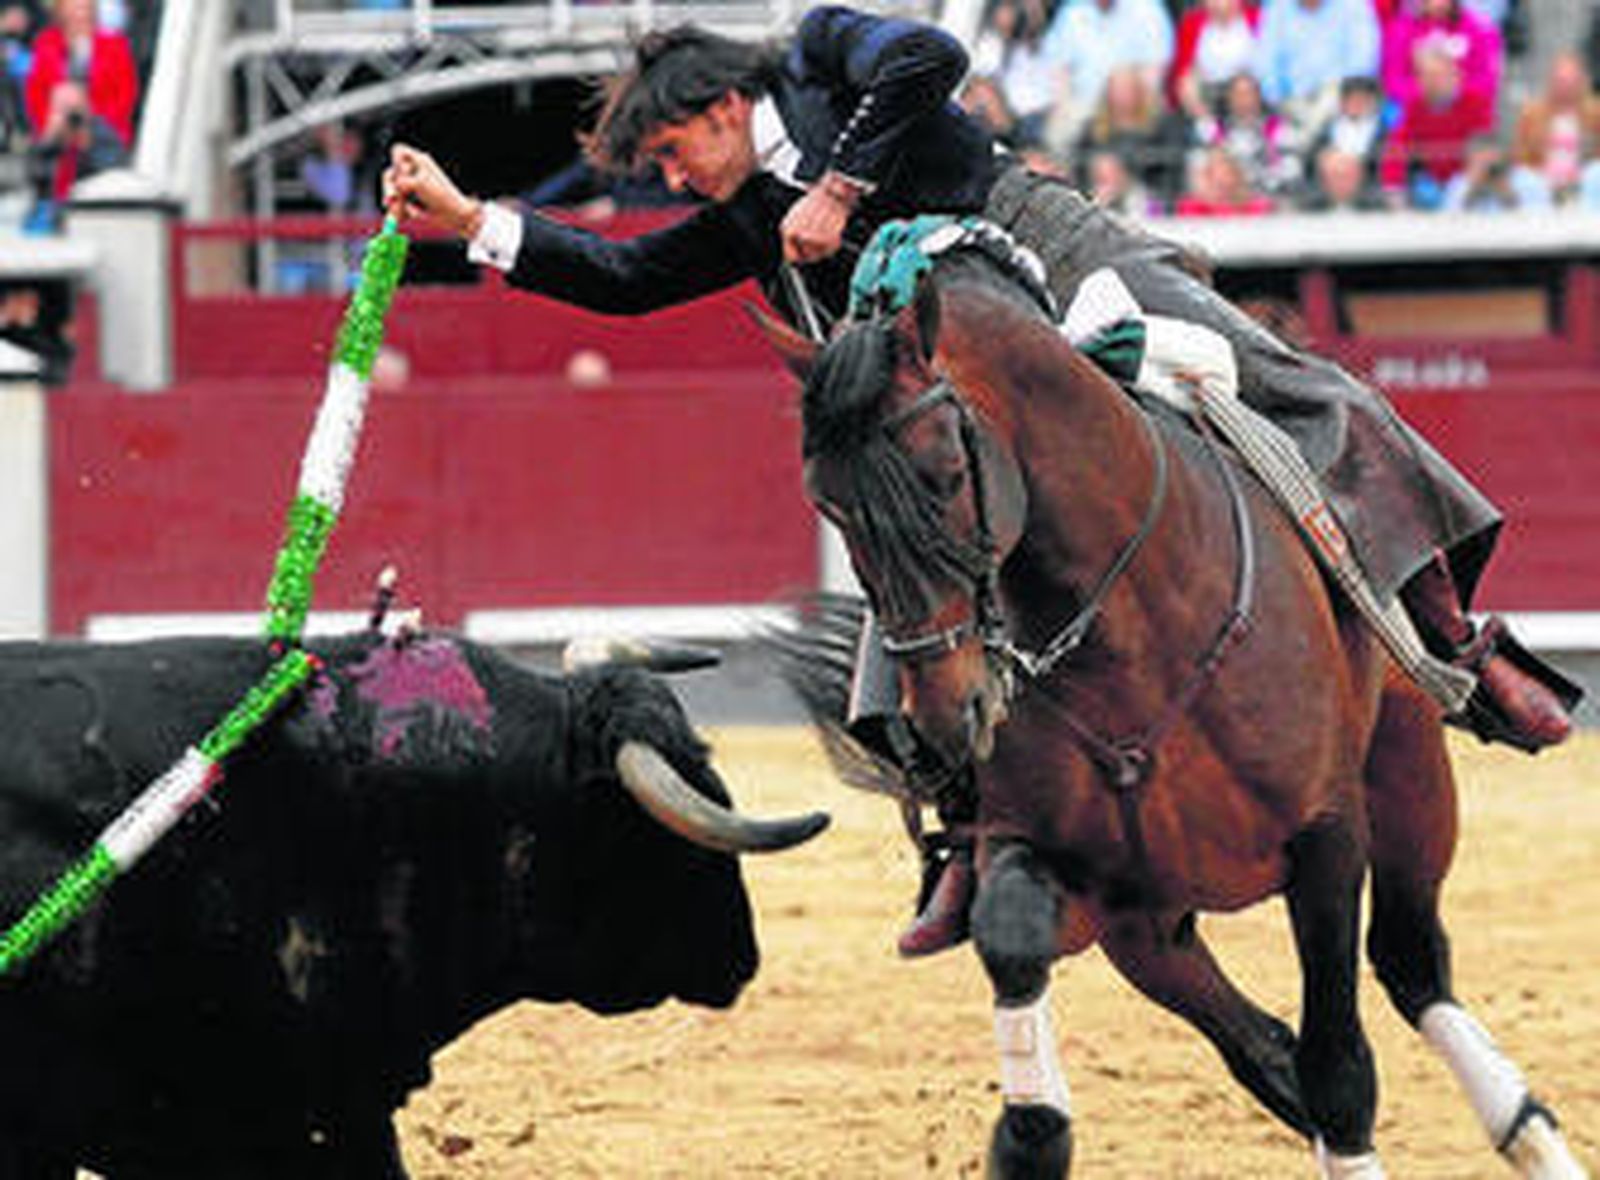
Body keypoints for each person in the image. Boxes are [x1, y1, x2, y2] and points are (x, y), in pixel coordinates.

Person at [383, 6, 1580, 959]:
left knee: (1310, 391)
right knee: (908, 561)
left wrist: (838, 189)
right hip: (959, 366)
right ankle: (967, 829)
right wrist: (472, 221)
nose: (676, 178)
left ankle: (1453, 645)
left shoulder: (818, 54)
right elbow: (625, 278)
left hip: (1053, 257)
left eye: (672, 151)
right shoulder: (749, 216)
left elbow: (930, 53)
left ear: (724, 105)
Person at [21, 0, 137, 229]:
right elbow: (35, 93)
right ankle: (48, 199)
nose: (79, 13)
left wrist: (87, 114)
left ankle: (45, 197)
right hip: (58, 126)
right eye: (73, 7)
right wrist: (61, 119)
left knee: (70, 97)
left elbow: (125, 95)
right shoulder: (47, 42)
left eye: (84, 7)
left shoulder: (115, 44)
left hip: (102, 128)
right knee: (64, 96)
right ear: (61, 11)